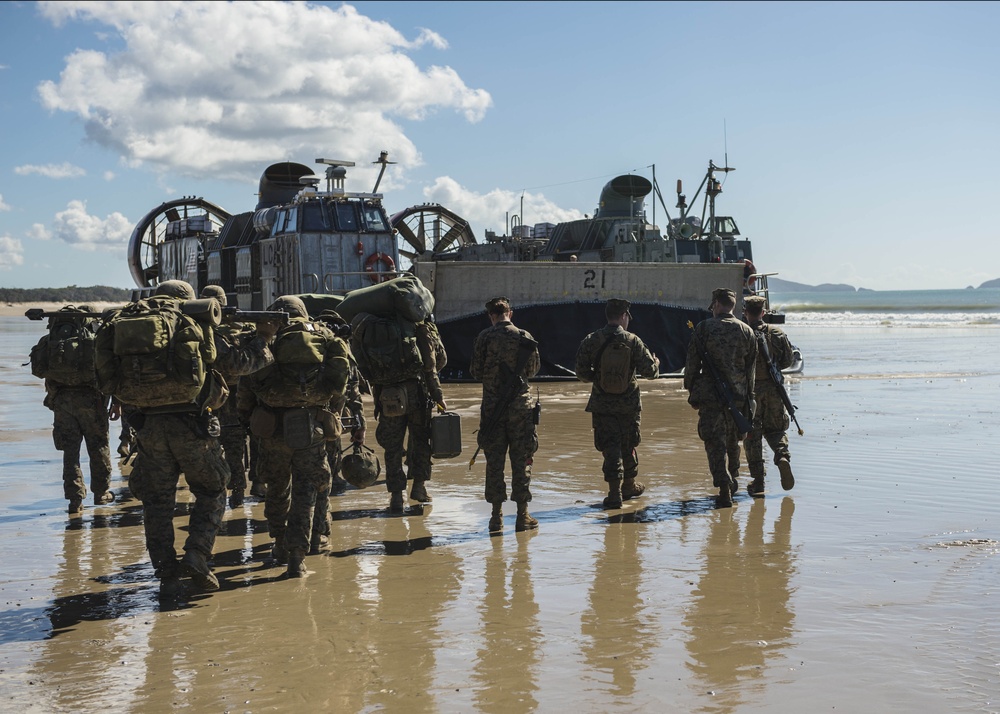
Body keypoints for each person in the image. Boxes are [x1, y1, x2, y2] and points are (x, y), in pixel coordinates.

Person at [97, 280, 262, 596]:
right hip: (193, 426)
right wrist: (262, 341)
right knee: (213, 488)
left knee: (156, 502)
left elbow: (106, 378)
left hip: (149, 428)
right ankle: (197, 554)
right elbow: (231, 363)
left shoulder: (129, 326)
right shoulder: (192, 323)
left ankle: (165, 570)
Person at [239, 296, 350, 577]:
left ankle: (278, 543)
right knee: (306, 491)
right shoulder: (324, 335)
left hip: (271, 428)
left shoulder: (264, 338)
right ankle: (297, 557)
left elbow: (246, 389)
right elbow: (340, 385)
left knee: (277, 489)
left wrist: (247, 422)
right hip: (311, 427)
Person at [356, 315, 448, 513]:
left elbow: (366, 368)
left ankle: (396, 497)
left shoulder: (372, 327)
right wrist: (438, 395)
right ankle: (419, 488)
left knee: (392, 448)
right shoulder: (420, 327)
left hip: (388, 397)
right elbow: (435, 363)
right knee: (421, 442)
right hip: (417, 395)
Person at [574, 298, 660, 509]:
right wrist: (656, 363)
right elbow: (650, 373)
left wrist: (599, 378)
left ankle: (614, 494)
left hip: (602, 404)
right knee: (628, 445)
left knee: (610, 448)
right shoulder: (633, 340)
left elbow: (581, 373)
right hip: (629, 405)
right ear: (623, 316)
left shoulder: (592, 339)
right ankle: (629, 485)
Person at [200, 285, 279, 508]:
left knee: (213, 447)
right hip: (240, 397)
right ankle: (243, 491)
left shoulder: (200, 330)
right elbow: (249, 364)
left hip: (211, 398)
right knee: (243, 445)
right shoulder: (242, 329)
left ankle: (221, 495)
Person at [31, 305, 114, 515]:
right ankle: (101, 492)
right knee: (98, 447)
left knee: (70, 452)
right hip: (91, 402)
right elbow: (108, 373)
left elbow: (38, 371)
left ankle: (75, 499)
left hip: (62, 402)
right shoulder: (94, 343)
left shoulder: (50, 342)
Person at [470, 297, 541, 532]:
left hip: (492, 410)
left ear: (491, 315)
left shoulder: (484, 338)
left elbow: (476, 372)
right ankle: (523, 516)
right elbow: (532, 370)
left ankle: (496, 518)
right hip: (521, 408)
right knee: (522, 461)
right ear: (510, 313)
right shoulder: (525, 337)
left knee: (494, 462)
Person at [683, 287, 758, 507]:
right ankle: (732, 479)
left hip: (710, 398)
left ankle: (723, 484)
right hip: (738, 396)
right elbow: (750, 370)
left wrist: (691, 391)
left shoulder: (703, 328)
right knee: (733, 442)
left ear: (716, 304)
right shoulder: (746, 331)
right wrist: (749, 397)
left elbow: (691, 367)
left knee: (714, 443)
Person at [742, 295, 796, 495]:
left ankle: (758, 482)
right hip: (774, 391)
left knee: (752, 437)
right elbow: (788, 361)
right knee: (776, 430)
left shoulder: (743, 334)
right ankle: (782, 456)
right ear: (763, 312)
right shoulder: (777, 333)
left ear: (746, 312)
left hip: (751, 392)